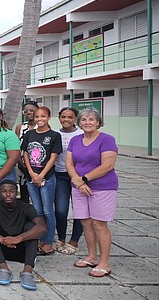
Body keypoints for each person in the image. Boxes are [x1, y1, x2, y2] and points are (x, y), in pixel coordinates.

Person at [66, 108, 118, 278]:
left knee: (99, 224)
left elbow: (107, 165)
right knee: (86, 223)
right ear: (79, 122)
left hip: (102, 187)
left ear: (98, 122)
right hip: (79, 186)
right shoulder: (75, 140)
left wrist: (84, 179)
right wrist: (77, 180)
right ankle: (92, 256)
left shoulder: (107, 140)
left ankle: (105, 263)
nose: (87, 122)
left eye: (91, 119)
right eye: (84, 119)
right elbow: (69, 164)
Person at [0, 180, 46, 291]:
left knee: (32, 227)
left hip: (22, 250)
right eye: (4, 191)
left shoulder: (26, 207)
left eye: (11, 191)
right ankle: (4, 269)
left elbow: (42, 227)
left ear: (16, 192)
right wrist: (1, 238)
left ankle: (27, 271)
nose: (8, 194)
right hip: (3, 249)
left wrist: (19, 238)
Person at [21, 106, 62, 255]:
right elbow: (25, 153)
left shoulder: (54, 136)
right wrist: (32, 173)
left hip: (47, 178)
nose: (40, 119)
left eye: (43, 116)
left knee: (47, 211)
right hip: (32, 177)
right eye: (37, 117)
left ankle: (48, 242)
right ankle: (39, 238)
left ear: (49, 117)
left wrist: (41, 175)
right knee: (37, 210)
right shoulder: (29, 134)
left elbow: (53, 157)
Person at [53, 107, 83, 254]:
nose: (66, 120)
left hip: (78, 177)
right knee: (60, 209)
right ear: (59, 117)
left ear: (75, 119)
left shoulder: (81, 134)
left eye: (70, 117)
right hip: (60, 176)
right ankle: (61, 238)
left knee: (79, 210)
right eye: (63, 117)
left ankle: (74, 241)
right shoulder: (55, 134)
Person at [16, 101, 39, 202]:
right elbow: (16, 147)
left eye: (31, 110)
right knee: (24, 194)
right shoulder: (20, 127)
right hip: (22, 166)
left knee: (38, 196)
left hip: (38, 166)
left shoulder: (42, 127)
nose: (28, 113)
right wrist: (21, 164)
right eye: (26, 111)